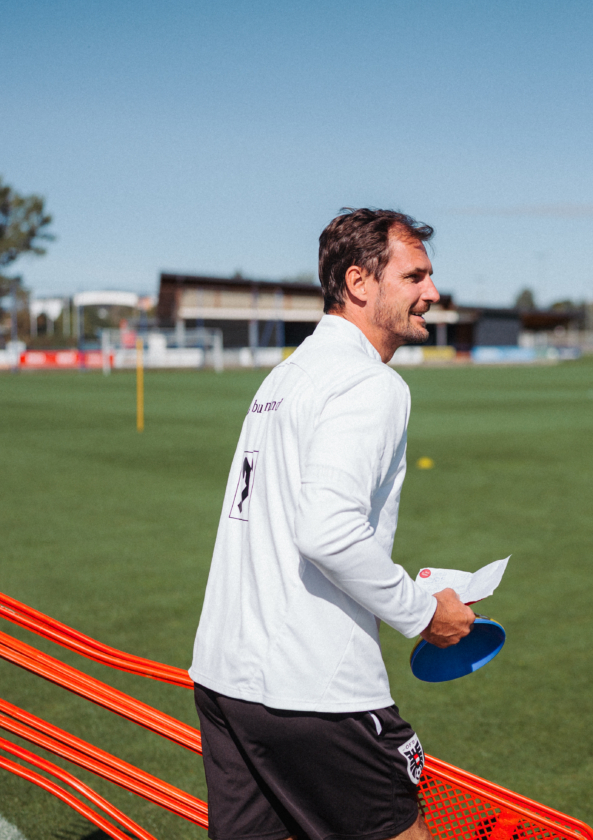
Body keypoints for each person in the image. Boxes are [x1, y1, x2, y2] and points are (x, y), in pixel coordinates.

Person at [189, 208, 475, 840]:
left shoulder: (284, 376)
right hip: (315, 690)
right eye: (415, 276)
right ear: (358, 282)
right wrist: (424, 614)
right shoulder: (370, 383)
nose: (432, 293)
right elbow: (328, 531)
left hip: (224, 679)